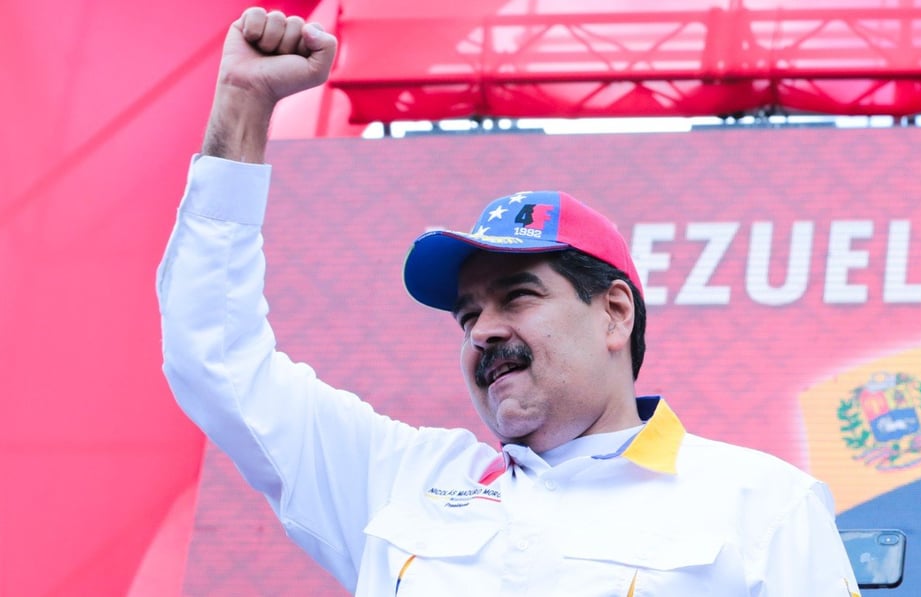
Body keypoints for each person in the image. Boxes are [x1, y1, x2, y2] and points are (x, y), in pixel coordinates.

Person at [157, 7, 862, 596]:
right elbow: (215, 358)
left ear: (615, 312)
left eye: (517, 297)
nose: (484, 331)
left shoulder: (761, 503)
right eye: (467, 315)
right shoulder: (400, 478)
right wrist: (243, 110)